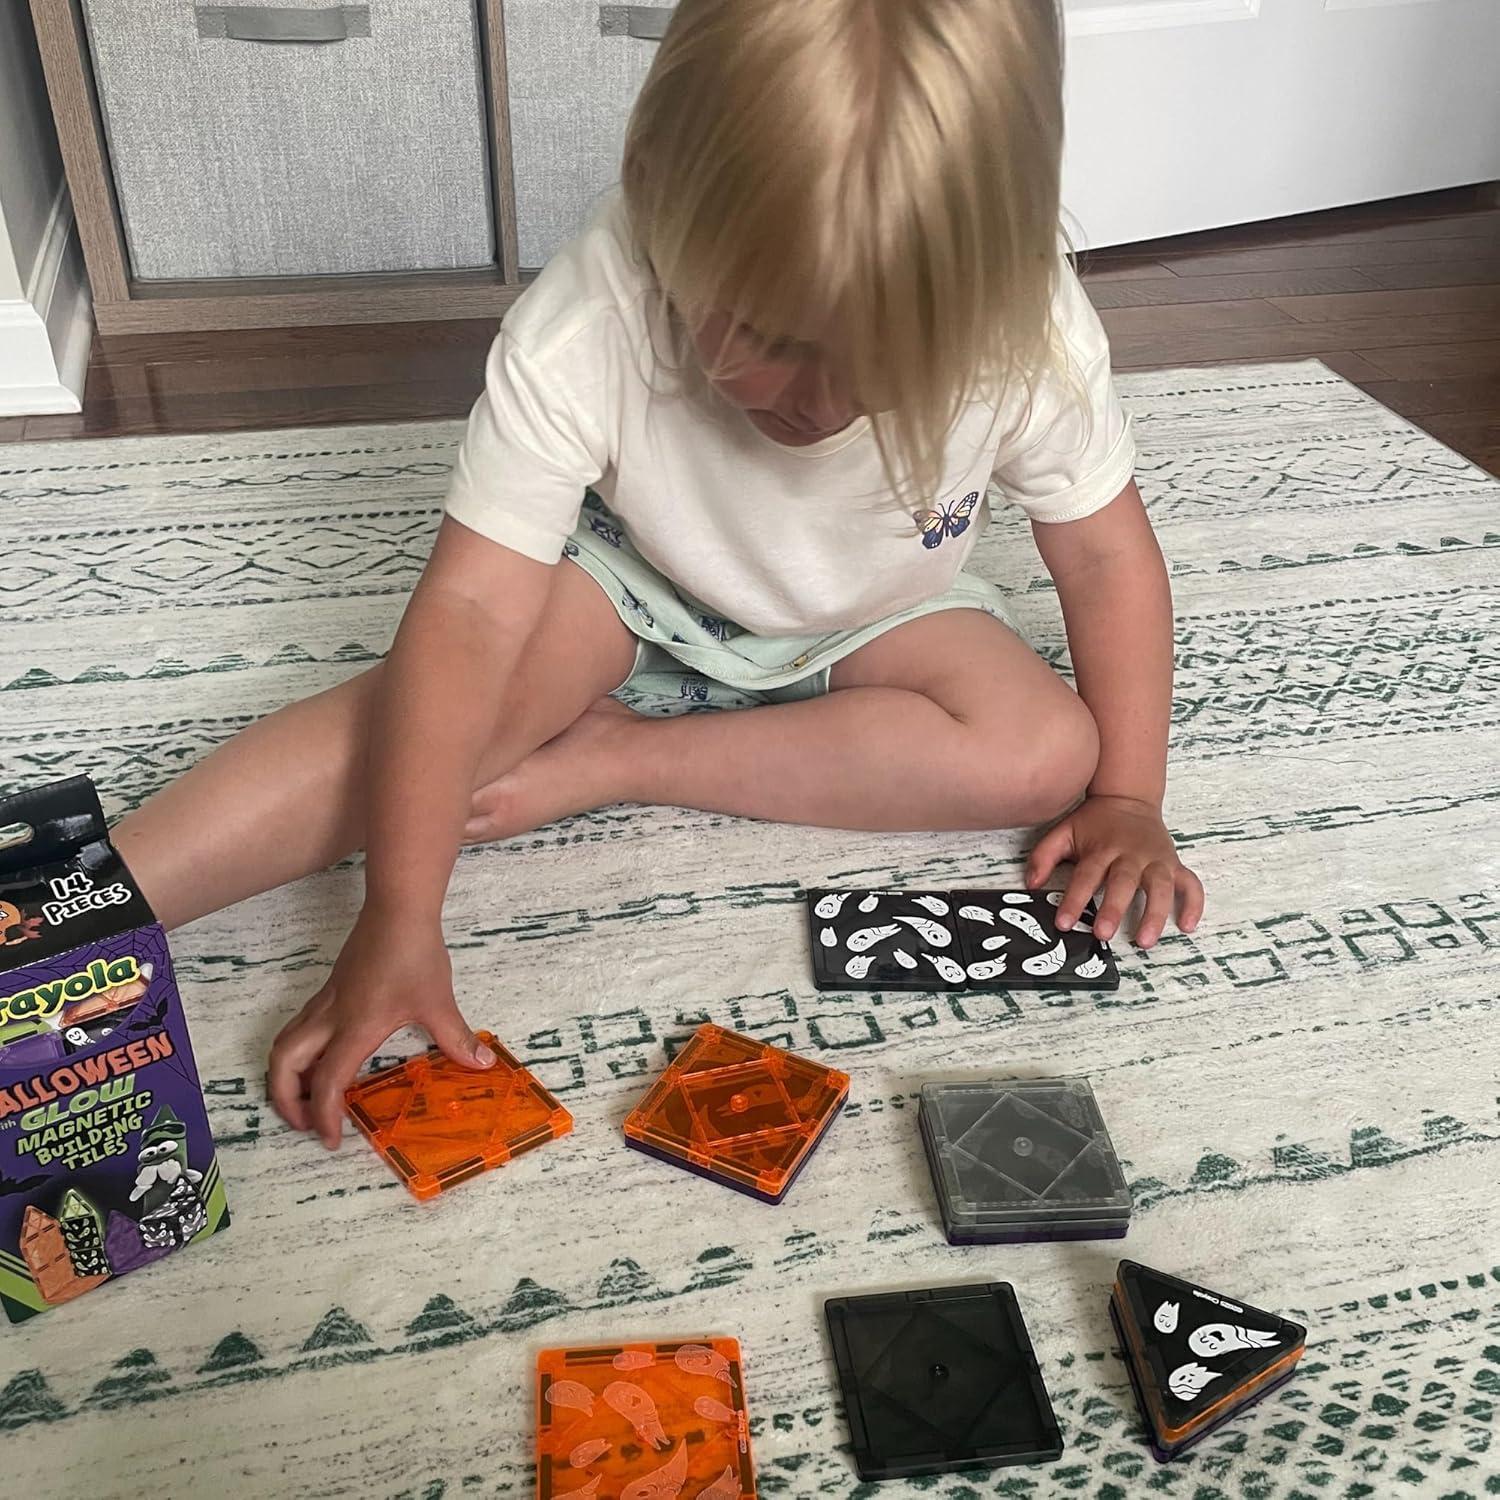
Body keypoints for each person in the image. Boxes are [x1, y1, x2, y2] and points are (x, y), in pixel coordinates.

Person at [115, 0, 1203, 1150]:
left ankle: (623, 757)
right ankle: (70, 919)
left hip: (881, 608)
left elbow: (1104, 557)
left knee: (1048, 754)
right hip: (631, 584)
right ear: (659, 201)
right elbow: (469, 613)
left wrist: (1131, 800)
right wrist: (399, 910)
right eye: (771, 337)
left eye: (890, 365)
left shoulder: (1028, 325)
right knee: (417, 735)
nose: (823, 403)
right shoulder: (591, 316)